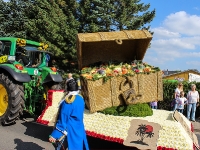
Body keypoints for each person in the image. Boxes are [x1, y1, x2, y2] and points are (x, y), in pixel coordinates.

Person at [49, 78, 89, 150]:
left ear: (67, 89)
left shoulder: (68, 102)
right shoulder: (80, 98)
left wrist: (54, 135)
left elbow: (63, 121)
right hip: (79, 129)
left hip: (69, 131)